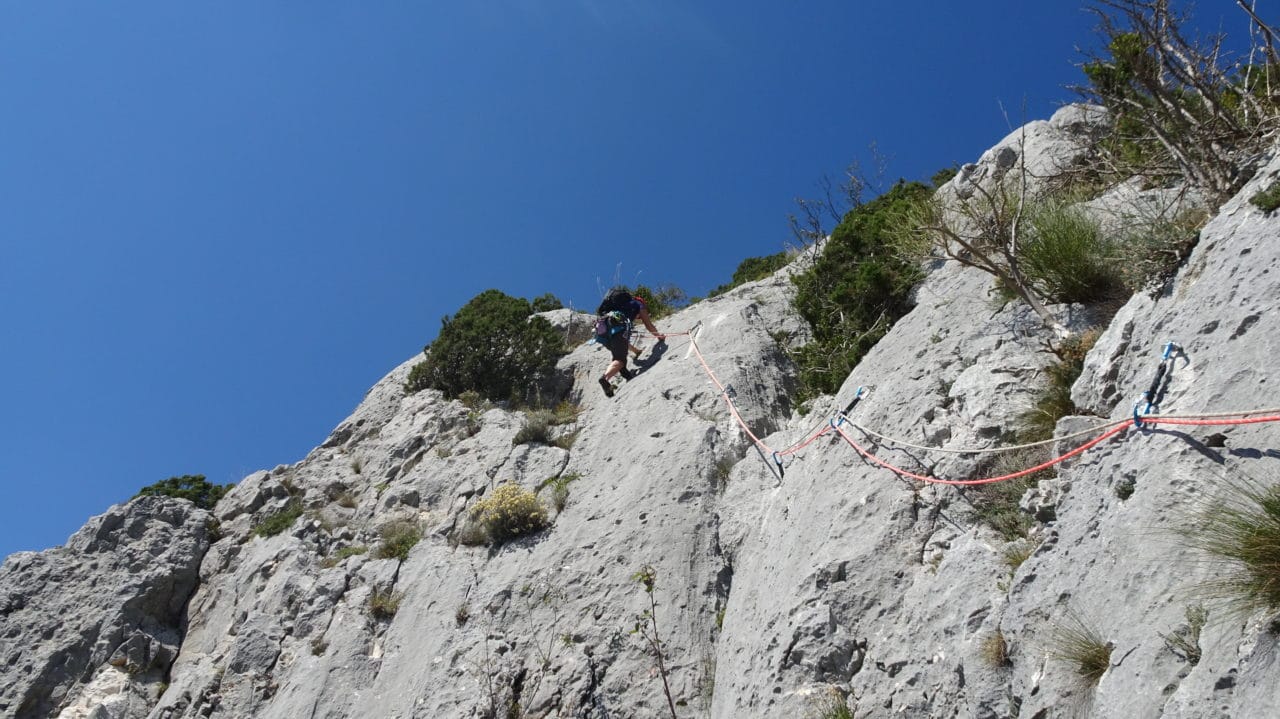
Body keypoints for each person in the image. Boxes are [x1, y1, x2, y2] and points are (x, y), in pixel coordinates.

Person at [597, 290, 665, 397]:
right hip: (617, 328)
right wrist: (660, 336)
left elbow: (624, 343)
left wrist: (636, 351)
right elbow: (648, 325)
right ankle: (605, 378)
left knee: (619, 353)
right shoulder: (639, 304)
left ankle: (626, 375)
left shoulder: (616, 307)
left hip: (603, 330)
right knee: (620, 359)